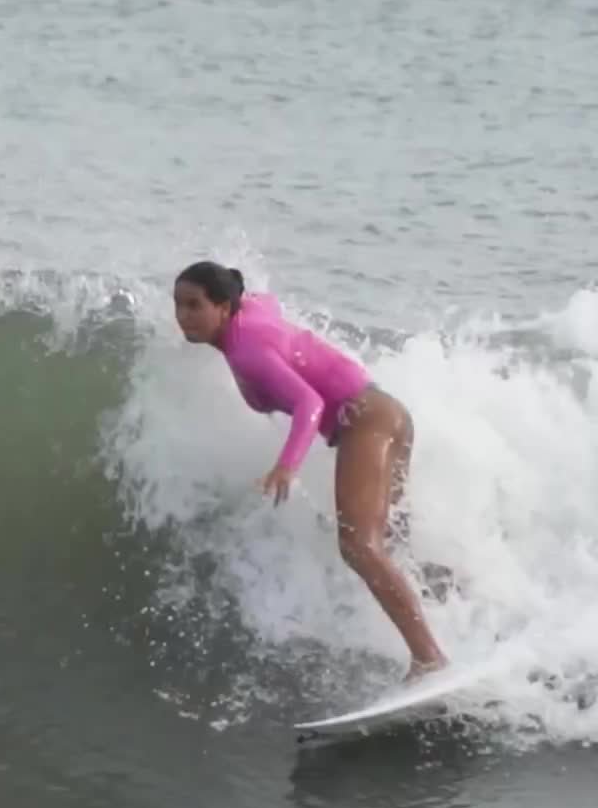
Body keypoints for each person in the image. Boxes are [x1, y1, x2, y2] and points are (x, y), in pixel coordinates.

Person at [173, 260, 448, 680]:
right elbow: (267, 301)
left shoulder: (247, 350)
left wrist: (286, 467)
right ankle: (457, 600)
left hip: (367, 421)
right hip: (385, 413)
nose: (183, 315)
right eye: (178, 304)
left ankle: (429, 659)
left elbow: (310, 404)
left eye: (194, 305)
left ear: (224, 307)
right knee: (389, 544)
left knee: (359, 546)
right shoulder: (249, 312)